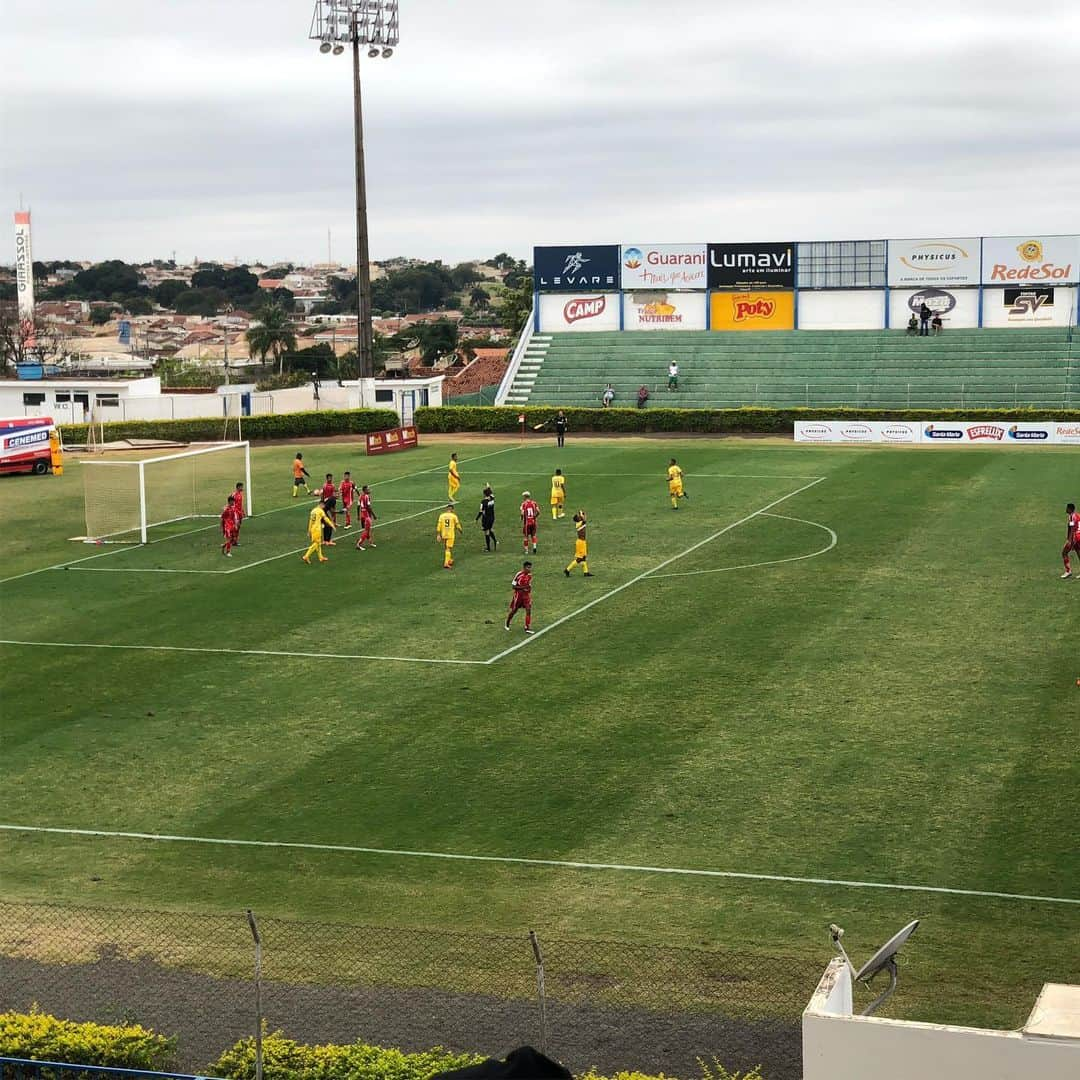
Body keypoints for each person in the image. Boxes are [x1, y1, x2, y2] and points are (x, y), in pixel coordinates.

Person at [505, 561, 534, 633]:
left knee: (528, 610)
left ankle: (527, 627)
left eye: (530, 567)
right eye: (528, 567)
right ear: (524, 567)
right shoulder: (519, 574)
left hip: (526, 595)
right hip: (518, 595)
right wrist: (523, 587)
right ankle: (507, 623)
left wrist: (529, 588)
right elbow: (513, 586)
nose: (529, 569)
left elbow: (529, 584)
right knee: (514, 610)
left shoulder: (529, 575)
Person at [302, 499, 334, 564]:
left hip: (313, 529)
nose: (324, 507)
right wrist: (332, 525)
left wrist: (309, 531)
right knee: (316, 544)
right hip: (317, 529)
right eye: (324, 505)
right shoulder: (320, 511)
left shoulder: (313, 511)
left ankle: (321, 557)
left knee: (318, 544)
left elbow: (310, 522)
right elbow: (326, 519)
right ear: (321, 504)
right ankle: (306, 556)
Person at [564, 510, 593, 577]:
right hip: (580, 543)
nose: (580, 517)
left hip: (583, 542)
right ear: (577, 519)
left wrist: (583, 513)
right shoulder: (578, 524)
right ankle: (567, 570)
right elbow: (584, 520)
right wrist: (581, 513)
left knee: (584, 557)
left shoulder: (581, 522)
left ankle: (586, 572)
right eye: (578, 516)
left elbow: (585, 518)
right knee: (579, 559)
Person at [436, 502, 462, 569]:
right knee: (448, 548)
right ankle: (446, 563)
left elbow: (439, 525)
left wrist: (438, 535)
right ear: (452, 509)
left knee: (446, 548)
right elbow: (457, 525)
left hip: (444, 534)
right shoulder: (454, 516)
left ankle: (449, 560)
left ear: (447, 509)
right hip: (450, 534)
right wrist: (460, 530)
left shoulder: (441, 516)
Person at [355, 484, 377, 550]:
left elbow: (358, 506)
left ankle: (370, 542)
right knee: (366, 530)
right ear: (365, 490)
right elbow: (368, 507)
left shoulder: (360, 496)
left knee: (367, 529)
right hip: (366, 516)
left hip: (362, 515)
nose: (369, 490)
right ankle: (359, 544)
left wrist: (358, 515)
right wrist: (374, 515)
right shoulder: (366, 496)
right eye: (368, 489)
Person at [476, 485, 497, 552]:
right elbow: (491, 493)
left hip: (486, 518)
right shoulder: (492, 498)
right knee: (490, 529)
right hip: (492, 517)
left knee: (486, 532)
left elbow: (481, 511)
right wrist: (489, 487)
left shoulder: (483, 502)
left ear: (484, 494)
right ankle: (495, 541)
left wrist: (477, 518)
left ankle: (488, 548)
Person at [1062, 502, 1079, 579]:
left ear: (1070, 509)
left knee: (1064, 553)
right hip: (1079, 536)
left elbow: (1072, 529)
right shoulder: (1078, 515)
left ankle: (1068, 571)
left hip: (1075, 538)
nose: (1066, 509)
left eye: (1067, 508)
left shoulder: (1071, 516)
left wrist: (1070, 540)